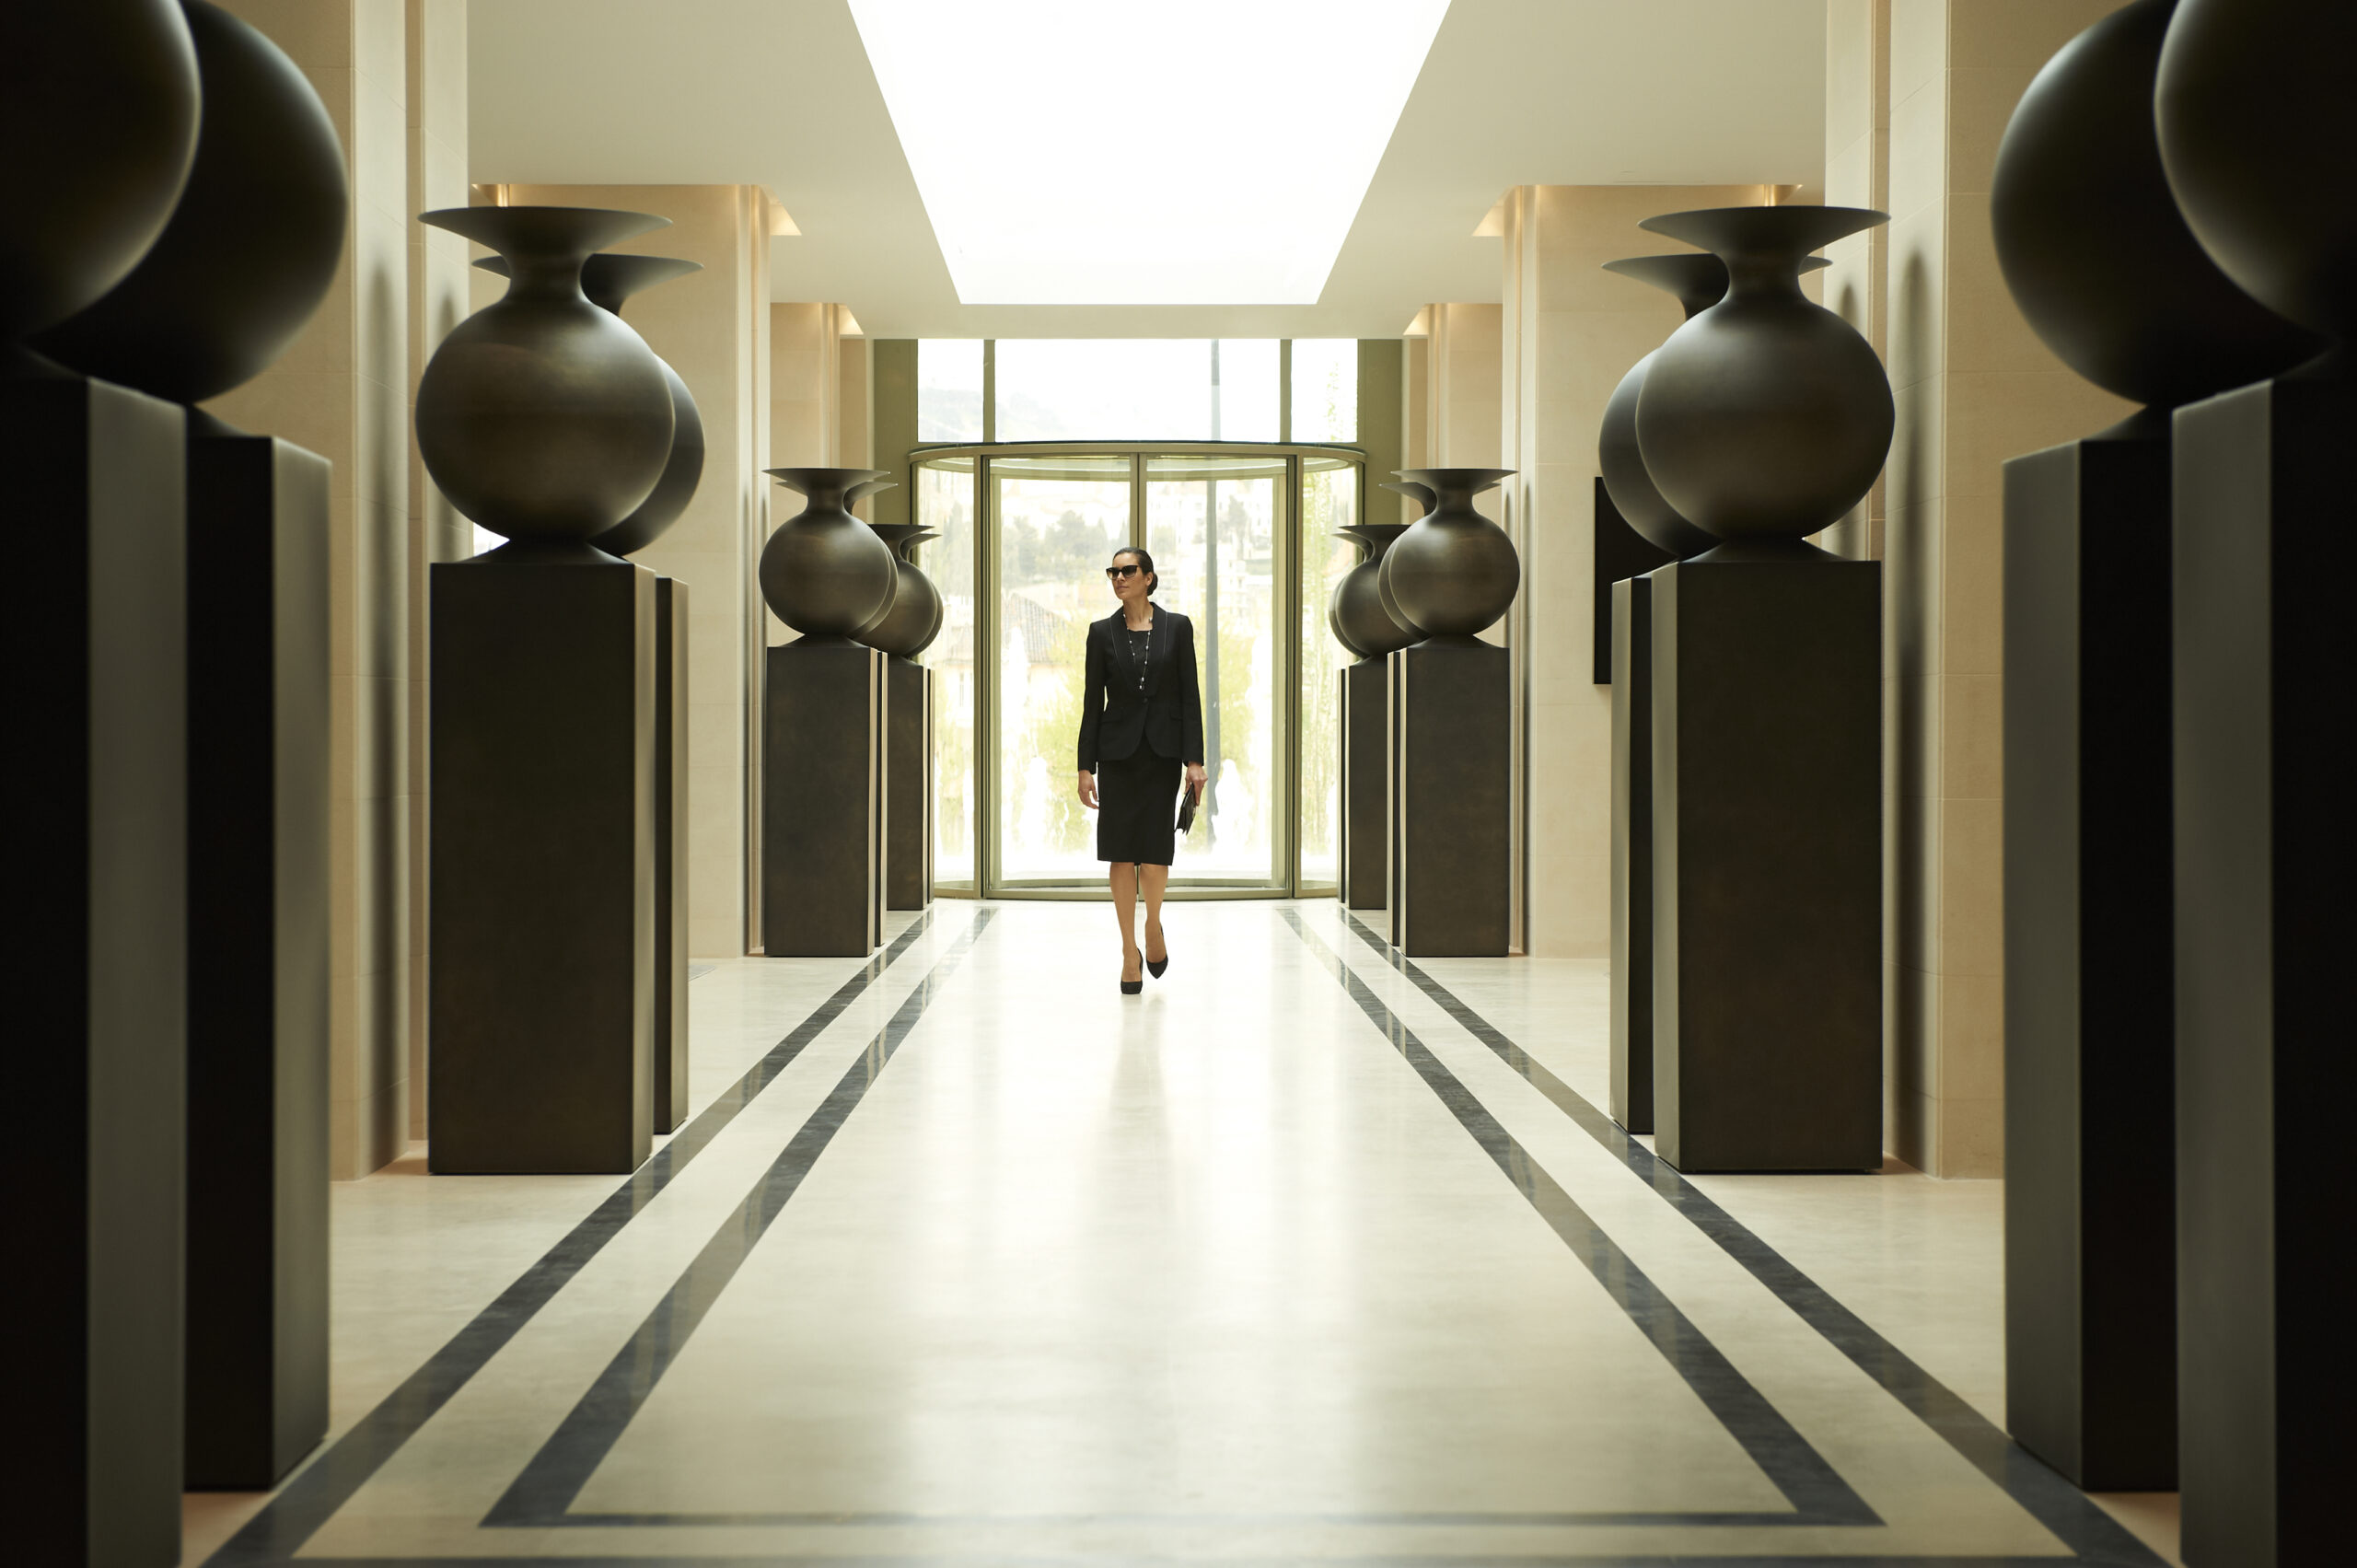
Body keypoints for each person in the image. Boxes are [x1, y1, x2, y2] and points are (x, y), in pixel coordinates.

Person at [1075, 546, 1206, 994]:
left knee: (1154, 848)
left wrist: (1195, 761)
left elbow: (1190, 696)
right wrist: (1084, 767)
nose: (1118, 577)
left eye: (1127, 571)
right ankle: (1128, 949)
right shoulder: (1101, 633)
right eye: (1112, 571)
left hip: (1163, 753)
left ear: (1149, 577)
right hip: (1117, 755)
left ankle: (1153, 925)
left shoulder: (1178, 627)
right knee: (1119, 851)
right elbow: (1092, 703)